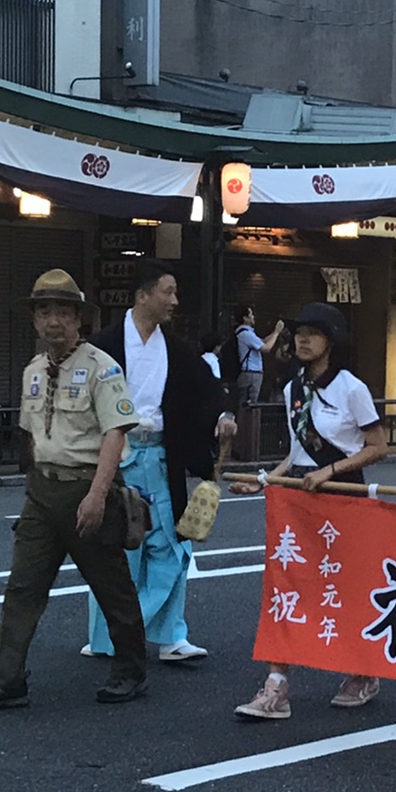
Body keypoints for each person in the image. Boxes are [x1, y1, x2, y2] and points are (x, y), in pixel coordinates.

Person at [0, 270, 149, 711]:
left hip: (87, 487)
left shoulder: (101, 368)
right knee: (23, 587)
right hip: (43, 493)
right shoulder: (32, 370)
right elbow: (31, 435)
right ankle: (6, 680)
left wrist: (98, 495)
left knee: (111, 585)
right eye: (45, 312)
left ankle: (130, 670)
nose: (54, 322)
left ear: (78, 319)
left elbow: (114, 434)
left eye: (63, 313)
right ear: (34, 320)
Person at [231, 303, 390, 720]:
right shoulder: (292, 389)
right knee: (287, 584)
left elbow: (378, 446)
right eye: (298, 331)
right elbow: (296, 452)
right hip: (300, 498)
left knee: (346, 587)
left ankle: (363, 671)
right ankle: (276, 685)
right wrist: (266, 481)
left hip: (344, 497)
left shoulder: (351, 388)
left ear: (331, 342)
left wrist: (331, 471)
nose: (302, 339)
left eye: (313, 333)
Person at [84, 262, 237, 667]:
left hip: (160, 456)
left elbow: (208, 388)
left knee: (173, 545)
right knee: (118, 553)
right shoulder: (103, 345)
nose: (174, 301)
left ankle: (166, 634)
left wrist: (222, 415)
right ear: (142, 296)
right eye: (167, 292)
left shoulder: (175, 348)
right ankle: (109, 636)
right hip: (116, 458)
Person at [230, 306, 284, 411]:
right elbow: (266, 348)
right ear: (245, 318)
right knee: (250, 405)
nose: (253, 317)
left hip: (251, 373)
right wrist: (276, 333)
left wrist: (275, 332)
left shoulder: (246, 333)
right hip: (251, 373)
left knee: (249, 404)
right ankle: (246, 426)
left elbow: (262, 341)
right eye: (251, 314)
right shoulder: (245, 334)